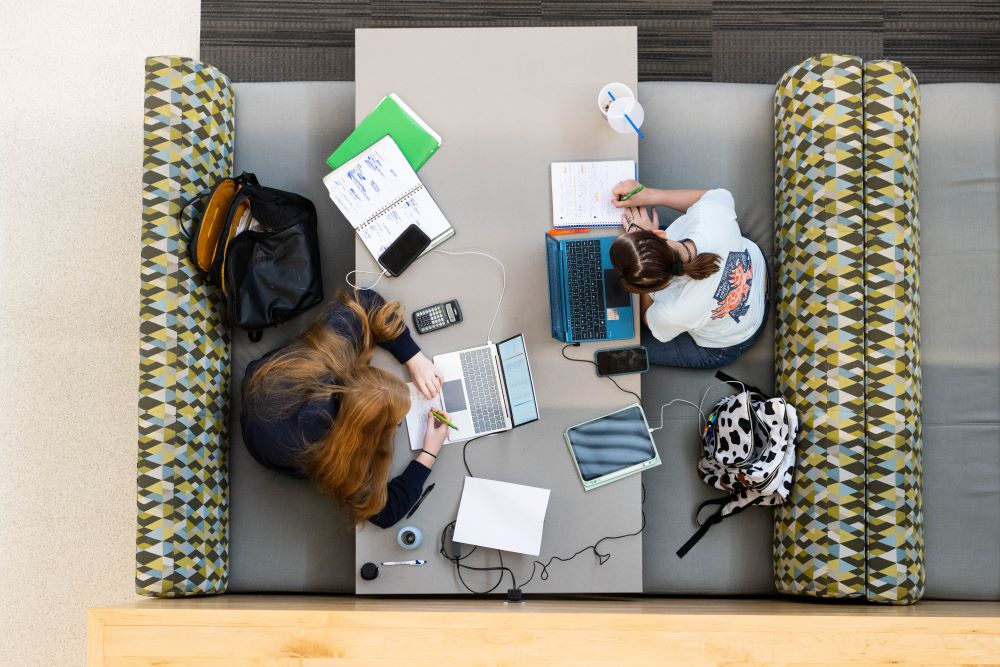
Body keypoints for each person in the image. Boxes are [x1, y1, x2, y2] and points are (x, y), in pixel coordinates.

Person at [241, 289, 449, 529]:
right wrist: (429, 452)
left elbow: (365, 300)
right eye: (396, 423)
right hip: (271, 445)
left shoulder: (332, 352)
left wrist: (414, 358)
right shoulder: (334, 456)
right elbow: (385, 512)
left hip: (270, 383)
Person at [608, 182, 768, 369]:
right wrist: (649, 195)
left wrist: (644, 272)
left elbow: (648, 318)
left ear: (656, 289)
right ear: (659, 233)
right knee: (639, 253)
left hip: (734, 337)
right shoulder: (712, 217)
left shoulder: (673, 313)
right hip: (753, 262)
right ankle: (646, 251)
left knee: (616, 354)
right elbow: (713, 195)